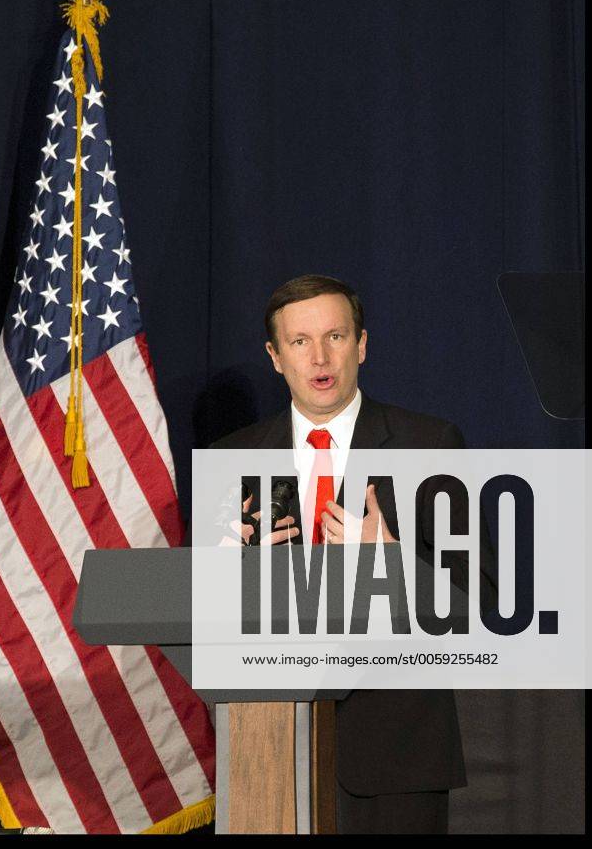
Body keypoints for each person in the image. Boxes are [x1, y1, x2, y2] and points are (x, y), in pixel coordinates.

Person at [209, 273, 496, 835]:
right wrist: (227, 571)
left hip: (394, 756)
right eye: (299, 342)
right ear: (275, 357)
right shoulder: (232, 458)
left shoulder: (428, 445)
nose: (320, 357)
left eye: (335, 337)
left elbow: (481, 600)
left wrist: (395, 564)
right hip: (264, 753)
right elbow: (196, 612)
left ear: (361, 345)